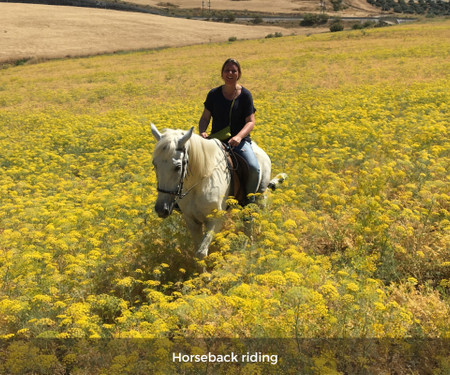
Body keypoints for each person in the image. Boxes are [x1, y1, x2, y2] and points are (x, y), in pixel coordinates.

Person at [199, 58, 260, 204]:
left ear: (238, 74)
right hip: (216, 140)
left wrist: (239, 137)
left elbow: (250, 122)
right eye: (227, 70)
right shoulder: (213, 94)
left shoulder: (245, 95)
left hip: (238, 142)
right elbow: (205, 118)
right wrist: (202, 132)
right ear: (222, 73)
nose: (230, 73)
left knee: (253, 168)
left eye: (234, 70)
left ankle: (249, 201)